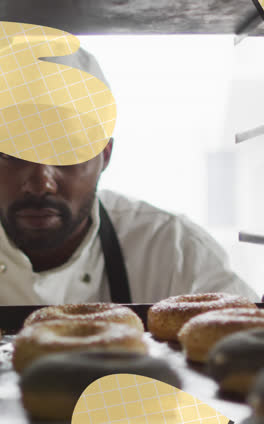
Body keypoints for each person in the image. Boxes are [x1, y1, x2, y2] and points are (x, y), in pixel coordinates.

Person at [0, 48, 258, 305]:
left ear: (106, 155)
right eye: (11, 153)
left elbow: (247, 335)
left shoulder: (173, 251)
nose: (40, 183)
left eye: (67, 151)